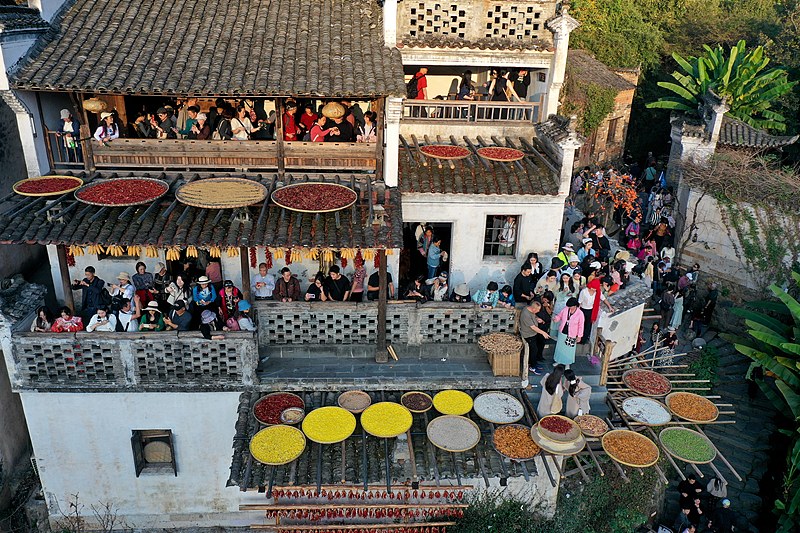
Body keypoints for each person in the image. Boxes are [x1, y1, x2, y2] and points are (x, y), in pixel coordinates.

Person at [578, 279, 613, 345]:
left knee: (588, 326)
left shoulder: (598, 292)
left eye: (595, 289)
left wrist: (610, 307)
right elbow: (579, 302)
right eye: (593, 288)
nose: (594, 290)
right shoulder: (584, 292)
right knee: (581, 325)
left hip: (591, 310)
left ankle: (583, 340)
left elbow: (604, 299)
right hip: (583, 310)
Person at [520, 300, 551, 375]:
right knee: (533, 350)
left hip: (533, 334)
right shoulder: (526, 314)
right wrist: (543, 333)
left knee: (535, 349)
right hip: (528, 335)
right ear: (533, 308)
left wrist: (537, 319)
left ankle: (534, 363)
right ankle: (532, 366)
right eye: (538, 310)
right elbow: (533, 327)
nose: (538, 311)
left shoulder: (530, 309)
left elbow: (534, 316)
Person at [552, 297, 584, 368]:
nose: (569, 307)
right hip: (563, 331)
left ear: (575, 305)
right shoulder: (566, 309)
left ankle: (567, 364)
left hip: (572, 334)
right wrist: (556, 319)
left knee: (569, 350)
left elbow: (581, 326)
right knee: (560, 347)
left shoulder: (580, 314)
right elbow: (559, 316)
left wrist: (579, 336)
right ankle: (558, 361)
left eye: (571, 306)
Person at [551, 272, 579, 337]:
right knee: (558, 317)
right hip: (560, 303)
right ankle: (554, 334)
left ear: (569, 278)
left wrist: (572, 294)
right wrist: (563, 292)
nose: (565, 279)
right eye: (564, 278)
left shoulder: (574, 284)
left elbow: (576, 292)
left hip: (569, 302)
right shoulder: (559, 284)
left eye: (567, 278)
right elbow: (555, 294)